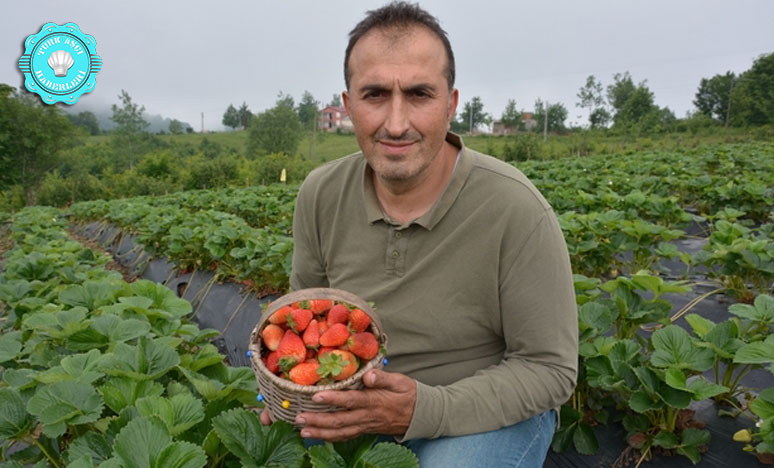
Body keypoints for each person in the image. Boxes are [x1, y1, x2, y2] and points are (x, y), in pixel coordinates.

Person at [261, 2, 578, 466]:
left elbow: (550, 370)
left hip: (482, 413)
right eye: (374, 95)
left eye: (419, 94)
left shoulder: (515, 208)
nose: (395, 123)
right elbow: (305, 317)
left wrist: (421, 409)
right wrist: (292, 391)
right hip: (355, 399)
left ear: (450, 105)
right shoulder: (321, 193)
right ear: (348, 106)